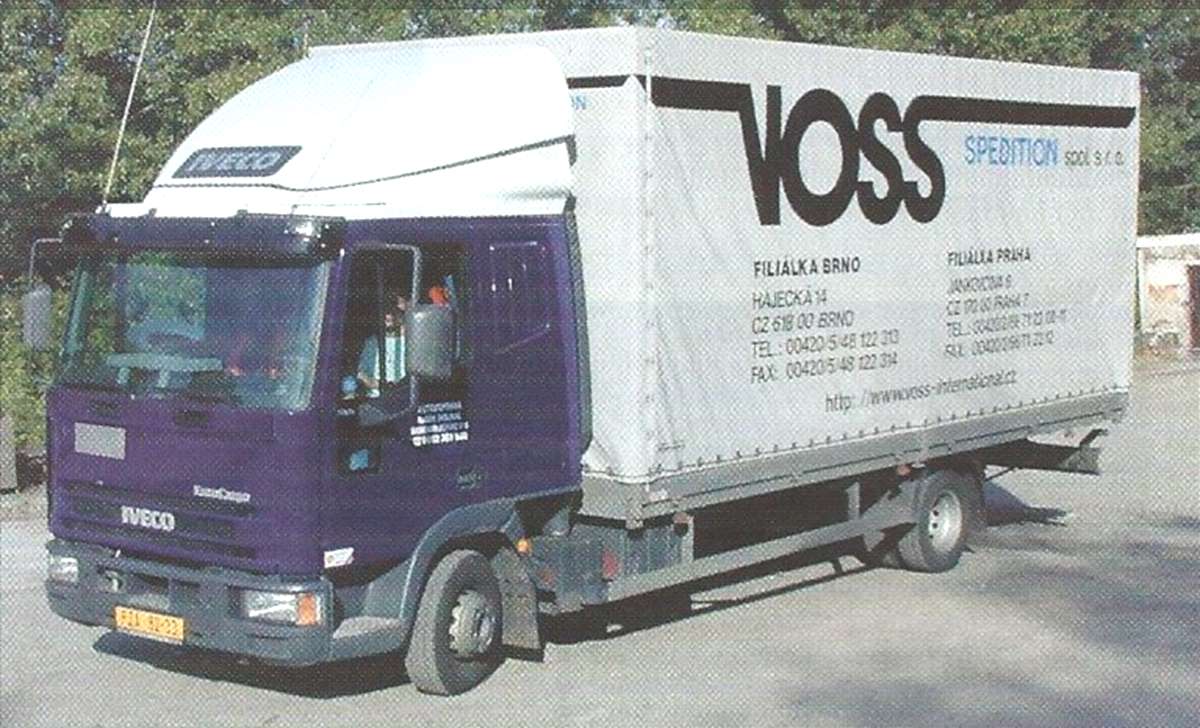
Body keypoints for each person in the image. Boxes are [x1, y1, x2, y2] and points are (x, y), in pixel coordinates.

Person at [355, 293, 408, 396]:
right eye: (385, 310)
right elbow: (361, 374)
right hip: (373, 399)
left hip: (401, 399)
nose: (388, 315)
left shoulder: (411, 343)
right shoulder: (371, 343)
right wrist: (377, 384)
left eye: (394, 310)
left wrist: (392, 387)